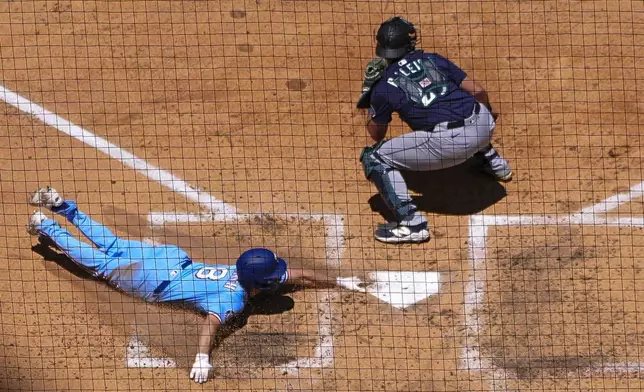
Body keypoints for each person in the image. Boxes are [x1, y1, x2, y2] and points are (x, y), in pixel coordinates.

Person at [26, 186, 361, 384]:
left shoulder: (241, 270)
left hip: (170, 259)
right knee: (100, 264)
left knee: (114, 244)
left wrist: (335, 281)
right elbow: (210, 325)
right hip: (149, 280)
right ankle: (46, 226)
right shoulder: (234, 298)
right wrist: (202, 357)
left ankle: (62, 206)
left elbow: (298, 274)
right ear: (259, 283)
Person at [356, 17, 513, 244]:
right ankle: (497, 166)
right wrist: (487, 115)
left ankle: (412, 224)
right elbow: (478, 91)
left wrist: (368, 95)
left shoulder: (384, 87)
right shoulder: (432, 59)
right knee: (454, 107)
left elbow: (376, 134)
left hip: (451, 143)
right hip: (483, 123)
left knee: (374, 158)